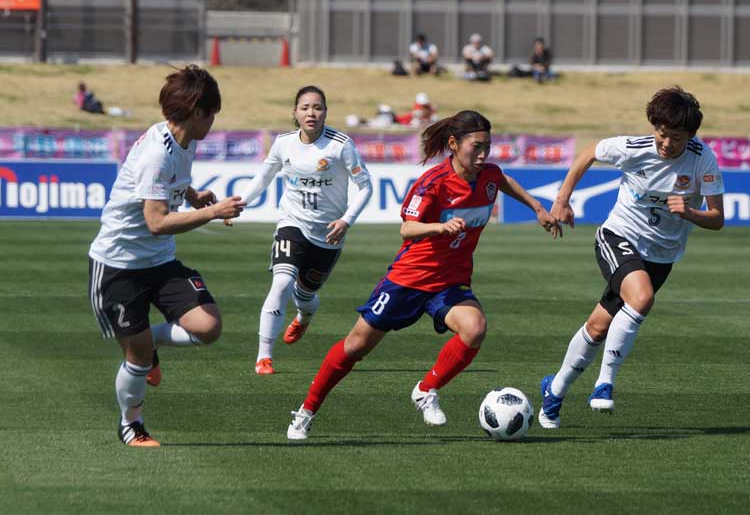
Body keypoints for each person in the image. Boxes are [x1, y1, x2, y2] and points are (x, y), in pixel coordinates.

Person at [285, 110, 560, 441]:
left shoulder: (488, 174)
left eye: (487, 146)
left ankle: (426, 389)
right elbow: (406, 228)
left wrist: (538, 208)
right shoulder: (433, 182)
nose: (483, 154)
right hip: (409, 279)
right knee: (356, 346)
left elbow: (502, 180)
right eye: (476, 146)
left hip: (450, 281)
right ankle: (306, 411)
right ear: (454, 144)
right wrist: (439, 227)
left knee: (475, 329)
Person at [538, 86, 725, 429]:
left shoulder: (703, 159)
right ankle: (604, 383)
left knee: (597, 326)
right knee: (642, 298)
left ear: (691, 135)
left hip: (662, 255)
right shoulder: (633, 148)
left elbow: (718, 219)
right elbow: (588, 154)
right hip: (618, 236)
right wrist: (562, 199)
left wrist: (689, 213)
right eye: (662, 133)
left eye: (676, 138)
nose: (667, 143)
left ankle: (554, 391)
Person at [87, 65, 246, 447]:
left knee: (208, 328)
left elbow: (172, 182)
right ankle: (131, 424)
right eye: (212, 114)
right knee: (138, 359)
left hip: (158, 262)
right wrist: (212, 212)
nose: (213, 122)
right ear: (196, 114)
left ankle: (146, 341)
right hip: (119, 267)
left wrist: (192, 196)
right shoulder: (156, 154)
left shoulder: (181, 139)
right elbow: (156, 222)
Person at [239, 85, 373, 376]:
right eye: (305, 107)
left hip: (328, 233)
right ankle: (264, 357)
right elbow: (263, 177)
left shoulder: (340, 145)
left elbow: (365, 186)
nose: (311, 112)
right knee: (281, 284)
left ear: (325, 111)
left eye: (317, 107)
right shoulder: (284, 143)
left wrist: (346, 220)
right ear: (295, 112)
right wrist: (240, 203)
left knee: (305, 293)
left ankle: (304, 315)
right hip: (292, 223)